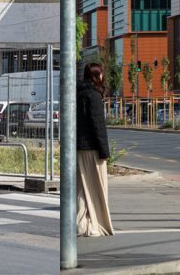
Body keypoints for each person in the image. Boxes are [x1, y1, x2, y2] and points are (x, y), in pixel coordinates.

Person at [76, 62, 114, 237]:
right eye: (101, 74)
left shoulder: (77, 94)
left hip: (78, 148)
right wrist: (104, 152)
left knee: (83, 189)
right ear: (97, 76)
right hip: (92, 149)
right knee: (98, 189)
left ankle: (81, 223)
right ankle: (95, 225)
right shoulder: (94, 96)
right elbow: (98, 125)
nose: (103, 76)